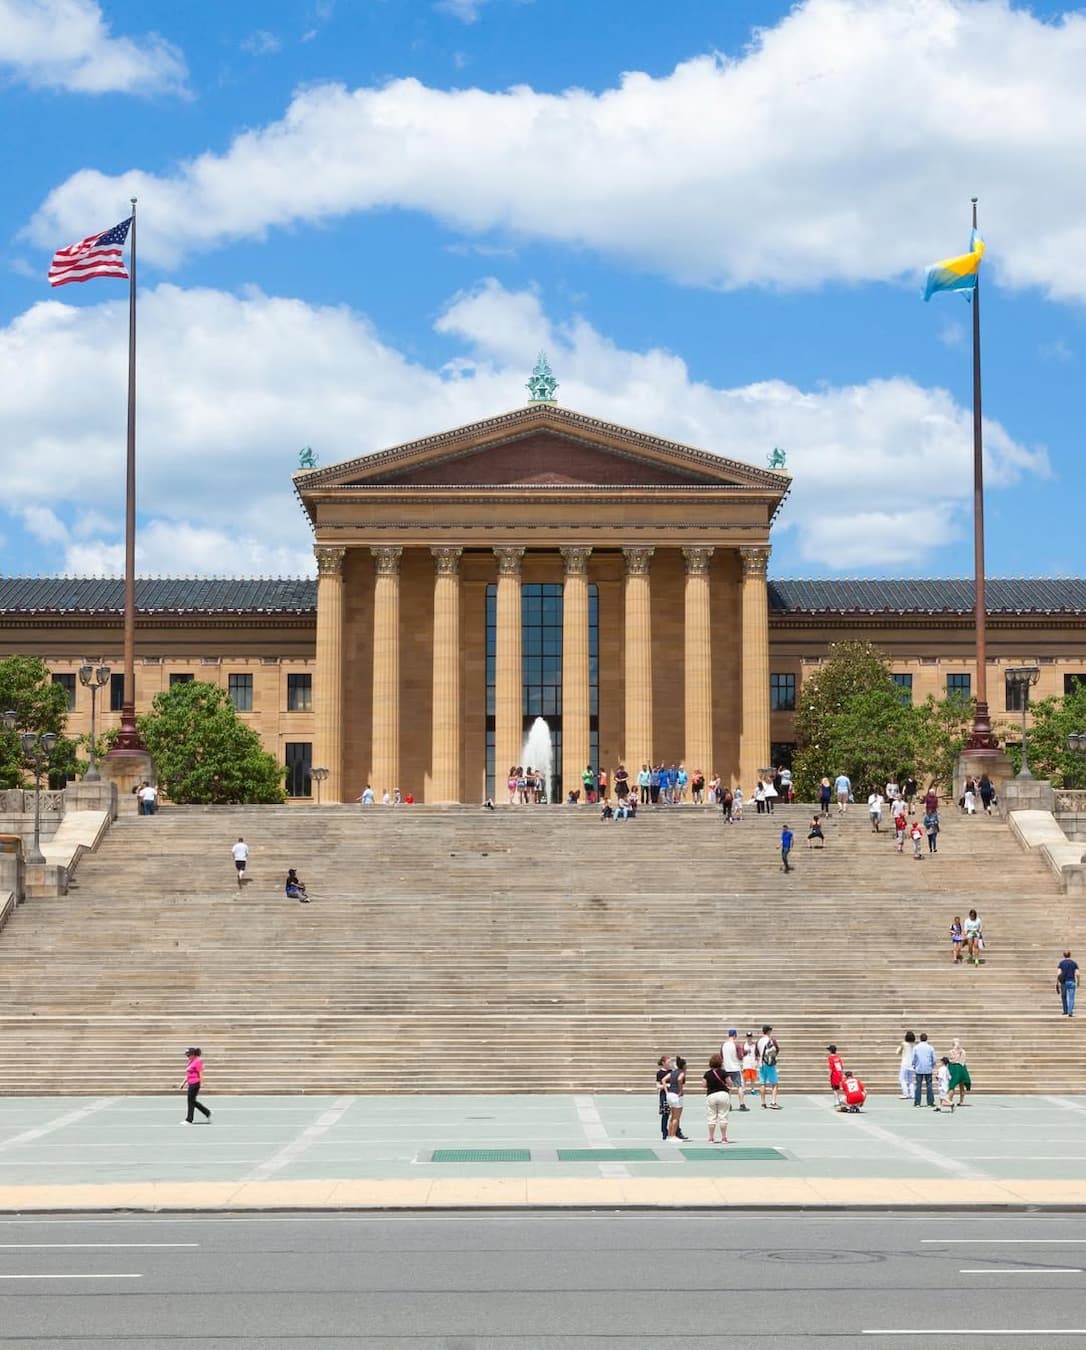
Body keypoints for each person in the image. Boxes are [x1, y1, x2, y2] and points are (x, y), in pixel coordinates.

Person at [703, 1053, 732, 1144]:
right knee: (723, 1117)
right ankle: (723, 1137)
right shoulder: (724, 1072)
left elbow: (704, 1085)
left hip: (711, 1095)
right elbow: (730, 1083)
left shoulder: (707, 1074)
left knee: (711, 1117)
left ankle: (711, 1137)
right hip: (723, 1094)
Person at [179, 1047, 211, 1124]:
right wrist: (183, 1082)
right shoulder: (191, 1061)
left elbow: (200, 1073)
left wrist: (201, 1083)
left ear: (193, 1054)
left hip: (195, 1083)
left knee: (190, 1101)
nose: (188, 1057)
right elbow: (189, 1073)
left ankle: (189, 1119)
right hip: (191, 1082)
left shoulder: (197, 1061)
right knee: (192, 1101)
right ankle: (207, 1112)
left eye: (188, 1055)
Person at [720, 1029, 747, 1110]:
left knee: (728, 1087)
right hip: (735, 1068)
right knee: (739, 1087)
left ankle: (728, 1104)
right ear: (735, 1035)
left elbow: (721, 1056)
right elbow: (740, 1056)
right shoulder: (736, 1045)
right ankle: (742, 1104)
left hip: (726, 1068)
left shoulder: (723, 1045)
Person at [757, 1026, 781, 1109]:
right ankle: (773, 1102)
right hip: (770, 1064)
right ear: (768, 1031)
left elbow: (757, 1053)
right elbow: (777, 1050)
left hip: (761, 1064)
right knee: (774, 1084)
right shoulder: (771, 1040)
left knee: (762, 1083)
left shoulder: (759, 1041)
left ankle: (763, 1103)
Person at [912, 1032, 937, 1107]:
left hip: (919, 1068)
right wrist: (932, 1065)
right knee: (929, 1085)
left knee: (918, 1086)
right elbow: (934, 1059)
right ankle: (930, 1102)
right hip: (928, 1068)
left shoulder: (916, 1047)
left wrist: (913, 1064)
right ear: (926, 1039)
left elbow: (914, 1058)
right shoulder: (930, 1047)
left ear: (920, 1039)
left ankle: (917, 1103)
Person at [665, 1055, 686, 1140]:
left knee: (672, 1116)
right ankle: (673, 1136)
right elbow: (680, 1079)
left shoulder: (673, 1072)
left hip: (670, 1094)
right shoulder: (681, 1072)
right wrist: (681, 1090)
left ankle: (670, 1135)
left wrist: (666, 1090)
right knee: (676, 1117)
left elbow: (663, 1079)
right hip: (676, 1095)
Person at [947, 1038, 972, 1105]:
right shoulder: (963, 1051)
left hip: (954, 1069)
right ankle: (961, 1101)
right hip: (962, 1068)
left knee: (952, 1085)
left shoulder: (951, 1051)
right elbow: (963, 1060)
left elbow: (951, 1061)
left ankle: (950, 1100)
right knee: (962, 1086)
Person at [655, 1055, 672, 1142]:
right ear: (663, 1063)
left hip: (672, 1094)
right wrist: (665, 1085)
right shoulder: (660, 1073)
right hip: (664, 1095)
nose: (670, 1064)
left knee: (674, 1114)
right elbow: (657, 1086)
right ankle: (664, 1132)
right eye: (668, 1062)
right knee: (665, 1114)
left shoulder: (672, 1072)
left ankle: (675, 1131)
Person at [895, 1030, 916, 1099]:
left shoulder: (903, 1044)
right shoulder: (914, 1045)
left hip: (905, 1064)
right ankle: (912, 1094)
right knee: (911, 1080)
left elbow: (897, 1052)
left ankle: (905, 1093)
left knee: (902, 1079)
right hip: (912, 1064)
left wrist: (901, 1049)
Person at [1058, 950, 1079, 1017]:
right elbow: (1078, 974)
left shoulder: (1061, 963)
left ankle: (1065, 1010)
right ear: (1070, 955)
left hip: (1063, 982)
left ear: (1064, 955)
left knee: (1063, 996)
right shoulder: (1074, 963)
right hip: (1071, 981)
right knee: (1071, 997)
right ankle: (1070, 1011)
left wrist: (1057, 982)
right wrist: (1078, 981)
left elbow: (1058, 973)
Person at [741, 1032, 758, 1105]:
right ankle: (744, 1089)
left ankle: (752, 1089)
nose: (749, 1038)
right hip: (746, 1062)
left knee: (753, 1078)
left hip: (752, 1062)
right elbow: (741, 1054)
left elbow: (757, 1054)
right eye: (748, 1037)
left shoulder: (754, 1045)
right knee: (745, 1077)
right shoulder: (744, 1045)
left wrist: (756, 1061)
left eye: (750, 1037)